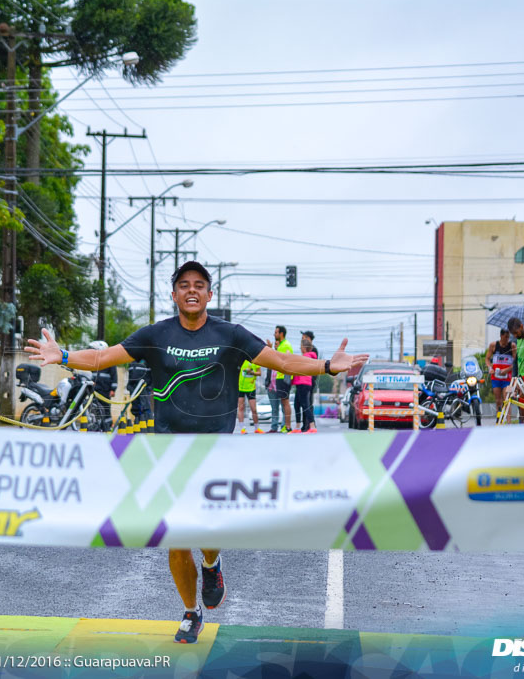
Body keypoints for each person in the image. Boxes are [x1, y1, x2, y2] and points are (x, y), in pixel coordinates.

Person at [24, 261, 369, 644]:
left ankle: (212, 563)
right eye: (184, 285)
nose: (191, 290)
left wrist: (325, 366)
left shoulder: (231, 335)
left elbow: (283, 362)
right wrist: (65, 356)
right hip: (167, 453)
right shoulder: (156, 335)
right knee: (176, 537)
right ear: (174, 295)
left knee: (206, 530)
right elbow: (107, 357)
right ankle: (191, 612)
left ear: (209, 294)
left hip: (215, 454)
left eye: (199, 285)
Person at [265, 326, 294, 433]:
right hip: (279, 378)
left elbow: (289, 360)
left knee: (285, 402)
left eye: (276, 332)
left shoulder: (286, 345)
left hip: (284, 378)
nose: (274, 334)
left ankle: (288, 427)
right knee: (283, 401)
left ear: (281, 333)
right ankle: (285, 427)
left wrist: (287, 378)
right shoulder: (281, 345)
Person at [485, 328, 516, 422]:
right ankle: (499, 419)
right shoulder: (493, 345)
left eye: (508, 337)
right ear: (501, 336)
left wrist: (507, 369)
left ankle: (509, 421)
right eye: (505, 337)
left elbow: (516, 363)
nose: (507, 339)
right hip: (496, 377)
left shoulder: (512, 346)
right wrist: (490, 368)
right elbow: (487, 359)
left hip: (507, 377)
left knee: (506, 398)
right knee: (498, 400)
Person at [89, 340, 118, 431]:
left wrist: (113, 389)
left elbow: (114, 376)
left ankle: (107, 426)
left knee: (105, 408)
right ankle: (96, 425)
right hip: (95, 388)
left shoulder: (110, 361)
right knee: (95, 407)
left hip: (105, 389)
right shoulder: (93, 361)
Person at [292, 332, 318, 433]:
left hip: (303, 383)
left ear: (304, 347)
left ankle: (312, 426)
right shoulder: (307, 356)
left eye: (300, 347)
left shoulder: (307, 356)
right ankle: (298, 427)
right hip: (301, 383)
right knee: (297, 405)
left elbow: (297, 365)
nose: (300, 348)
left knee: (305, 405)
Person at [237, 359, 262, 433]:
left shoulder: (255, 361)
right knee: (241, 407)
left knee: (254, 409)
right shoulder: (241, 361)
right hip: (240, 388)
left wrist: (251, 372)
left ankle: (256, 428)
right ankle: (242, 428)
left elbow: (259, 373)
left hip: (251, 388)